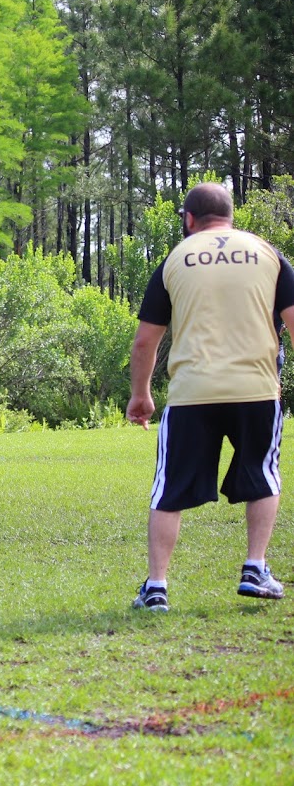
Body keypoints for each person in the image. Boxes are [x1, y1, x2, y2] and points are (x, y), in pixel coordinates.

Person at [126, 181, 294, 611]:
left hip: (192, 393)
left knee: (169, 489)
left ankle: (157, 587)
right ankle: (255, 567)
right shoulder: (269, 254)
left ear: (188, 219)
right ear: (231, 216)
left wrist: (141, 395)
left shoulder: (175, 259)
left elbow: (145, 341)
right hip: (256, 389)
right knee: (263, 475)